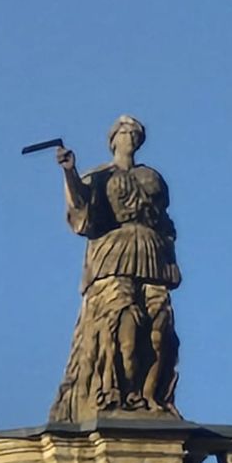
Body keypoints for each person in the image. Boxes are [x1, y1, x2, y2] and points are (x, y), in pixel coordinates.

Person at [50, 115, 182, 422]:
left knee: (159, 327)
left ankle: (151, 396)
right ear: (113, 140)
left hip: (152, 256)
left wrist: (169, 256)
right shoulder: (98, 176)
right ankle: (114, 393)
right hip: (113, 254)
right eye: (124, 132)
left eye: (135, 133)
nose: (130, 137)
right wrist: (69, 172)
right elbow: (81, 214)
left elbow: (164, 221)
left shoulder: (152, 177)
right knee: (121, 320)